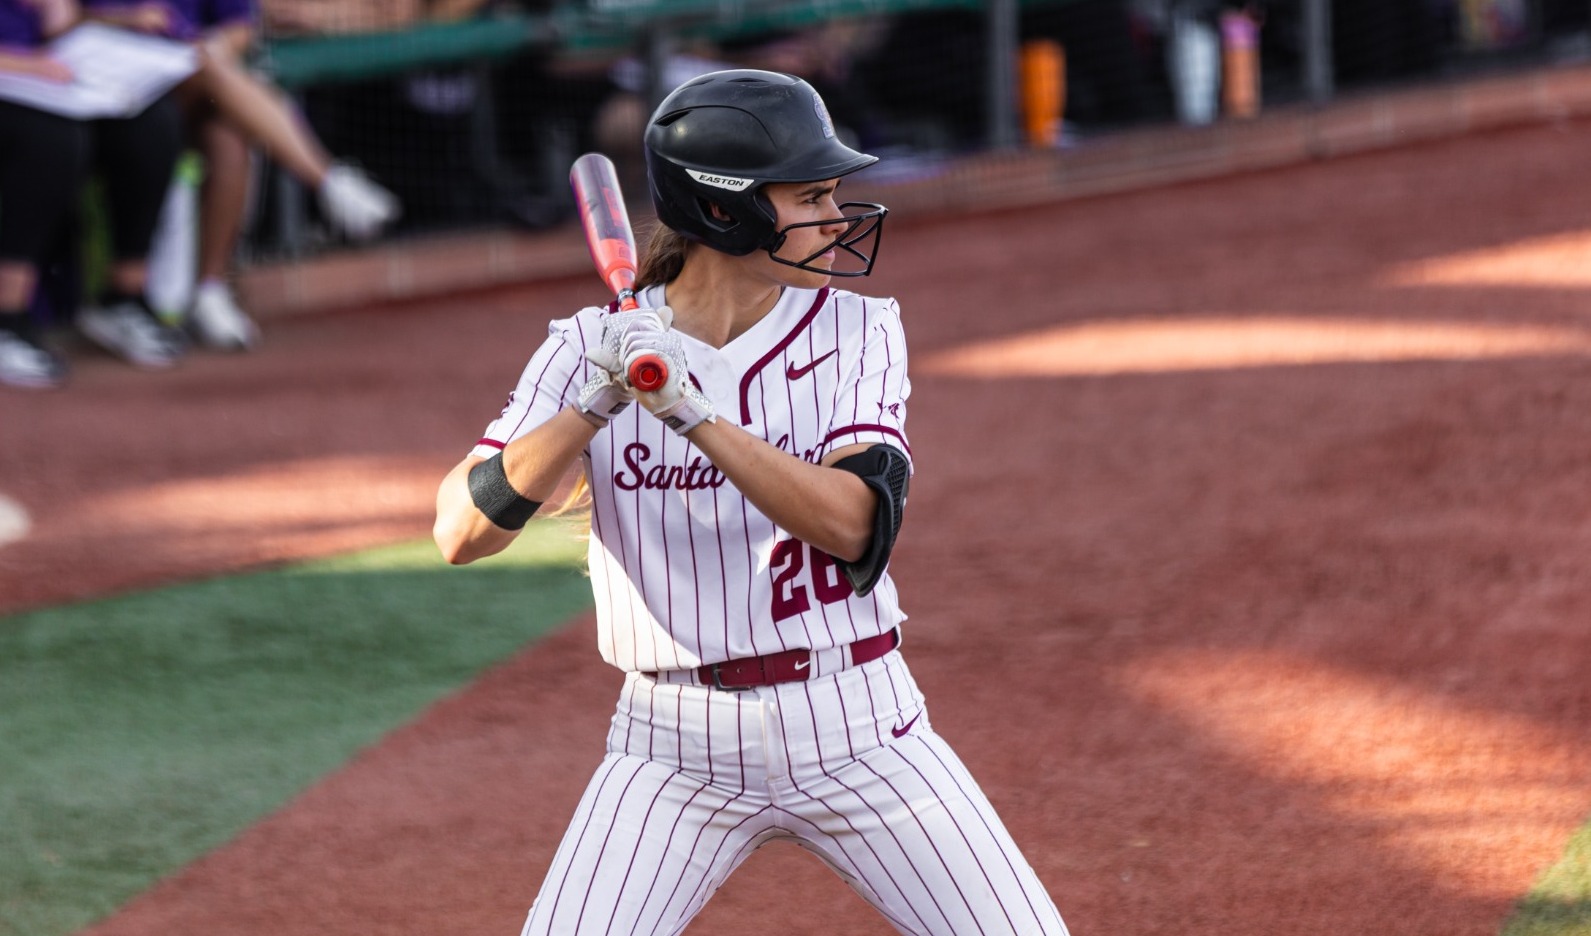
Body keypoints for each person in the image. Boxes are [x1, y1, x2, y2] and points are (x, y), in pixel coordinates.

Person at [432, 69, 1070, 935]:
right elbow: (461, 531)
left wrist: (693, 414)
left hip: (858, 726)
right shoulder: (589, 348)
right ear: (725, 211)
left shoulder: (857, 329)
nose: (837, 217)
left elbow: (855, 524)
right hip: (668, 747)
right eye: (810, 195)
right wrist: (594, 402)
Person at [85, 0, 402, 350]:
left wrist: (214, 49)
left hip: (187, 83)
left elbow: (240, 28)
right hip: (99, 81)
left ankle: (209, 290)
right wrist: (123, 19)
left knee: (228, 137)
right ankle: (328, 180)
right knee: (207, 70)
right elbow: (62, 20)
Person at [0, 0, 188, 387]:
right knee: (51, 139)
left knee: (151, 124)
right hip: (17, 82)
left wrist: (56, 14)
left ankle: (122, 297)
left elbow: (60, 32)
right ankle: (6, 316)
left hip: (46, 77)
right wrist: (22, 66)